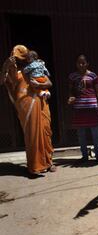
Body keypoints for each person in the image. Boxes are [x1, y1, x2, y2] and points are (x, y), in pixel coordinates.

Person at [0, 45, 55, 176]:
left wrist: (40, 85)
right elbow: (2, 80)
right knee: (32, 136)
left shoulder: (35, 68)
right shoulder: (14, 74)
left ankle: (49, 162)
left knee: (46, 132)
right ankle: (35, 166)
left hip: (42, 105)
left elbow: (49, 83)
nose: (18, 60)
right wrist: (6, 65)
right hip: (26, 110)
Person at [68, 55, 98, 162]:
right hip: (79, 109)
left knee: (95, 133)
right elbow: (70, 91)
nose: (81, 65)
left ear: (87, 64)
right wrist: (70, 98)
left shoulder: (93, 76)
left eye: (83, 63)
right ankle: (84, 156)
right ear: (76, 64)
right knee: (81, 134)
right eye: (79, 63)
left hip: (92, 109)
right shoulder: (72, 76)